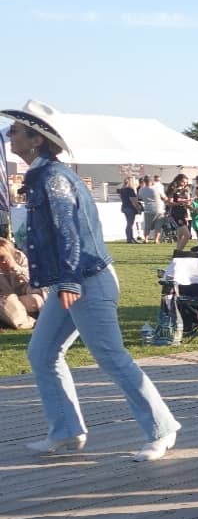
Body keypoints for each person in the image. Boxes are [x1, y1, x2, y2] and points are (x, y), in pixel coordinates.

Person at [3, 100, 180, 460]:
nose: (9, 134)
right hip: (77, 279)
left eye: (17, 130)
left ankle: (162, 428)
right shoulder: (46, 175)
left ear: (36, 140)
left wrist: (66, 282)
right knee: (42, 353)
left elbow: (69, 233)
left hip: (86, 279)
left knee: (111, 356)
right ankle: (66, 432)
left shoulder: (52, 178)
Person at [0, 236, 43, 329]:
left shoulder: (20, 258)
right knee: (10, 301)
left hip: (22, 296)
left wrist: (15, 267)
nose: (2, 262)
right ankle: (32, 323)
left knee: (36, 297)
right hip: (5, 300)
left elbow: (33, 280)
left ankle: (41, 319)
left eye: (3, 257)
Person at [166, 174, 193, 251]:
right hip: (175, 214)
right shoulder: (173, 189)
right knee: (187, 235)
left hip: (183, 214)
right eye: (183, 182)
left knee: (180, 235)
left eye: (186, 182)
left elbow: (187, 203)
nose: (185, 184)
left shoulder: (185, 191)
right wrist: (181, 203)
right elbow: (169, 203)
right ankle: (179, 252)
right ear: (178, 181)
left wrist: (189, 204)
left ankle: (178, 252)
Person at [138, 175, 164, 243]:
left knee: (147, 226)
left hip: (148, 208)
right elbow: (164, 197)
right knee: (158, 225)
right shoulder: (156, 188)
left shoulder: (141, 189)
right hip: (159, 208)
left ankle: (146, 239)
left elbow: (140, 197)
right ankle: (156, 240)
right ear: (152, 181)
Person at [117, 176, 141, 243]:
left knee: (129, 223)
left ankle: (129, 238)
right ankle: (130, 238)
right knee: (130, 224)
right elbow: (133, 201)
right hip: (130, 208)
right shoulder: (130, 190)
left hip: (124, 207)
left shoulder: (122, 190)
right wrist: (138, 208)